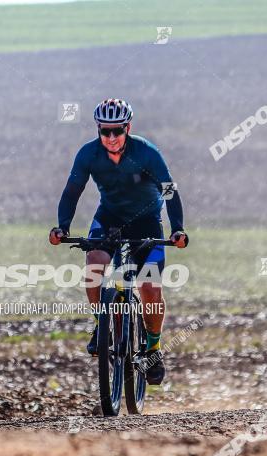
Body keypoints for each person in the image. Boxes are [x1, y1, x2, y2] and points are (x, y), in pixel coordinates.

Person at [48, 98, 188, 385]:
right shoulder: (89, 154)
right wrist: (62, 227)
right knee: (94, 263)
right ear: (99, 130)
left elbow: (170, 191)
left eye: (117, 131)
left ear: (128, 128)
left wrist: (178, 229)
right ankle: (102, 326)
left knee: (149, 286)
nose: (111, 138)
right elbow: (72, 191)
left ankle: (153, 347)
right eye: (105, 131)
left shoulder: (147, 152)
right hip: (109, 218)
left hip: (147, 221)